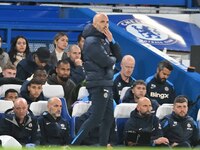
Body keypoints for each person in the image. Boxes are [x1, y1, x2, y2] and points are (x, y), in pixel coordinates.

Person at [71, 13, 121, 146]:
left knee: (108, 118)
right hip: (98, 83)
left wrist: (112, 41)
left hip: (106, 82)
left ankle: (103, 146)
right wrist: (112, 59)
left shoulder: (104, 39)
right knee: (95, 118)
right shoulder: (91, 41)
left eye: (107, 22)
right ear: (94, 24)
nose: (106, 25)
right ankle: (73, 145)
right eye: (102, 22)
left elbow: (118, 56)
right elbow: (106, 61)